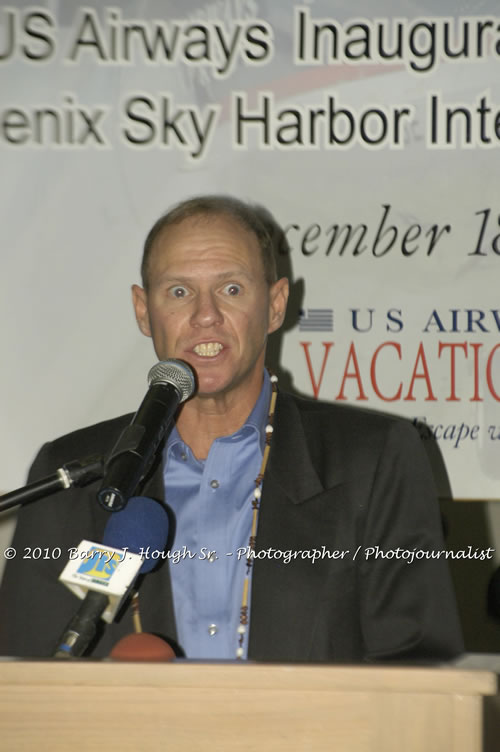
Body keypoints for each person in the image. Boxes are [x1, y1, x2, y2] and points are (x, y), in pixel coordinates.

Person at [0, 195, 463, 661]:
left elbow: (421, 669)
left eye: (232, 289)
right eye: (179, 291)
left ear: (276, 304)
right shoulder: (73, 478)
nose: (206, 314)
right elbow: (26, 678)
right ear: (143, 311)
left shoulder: (373, 459)